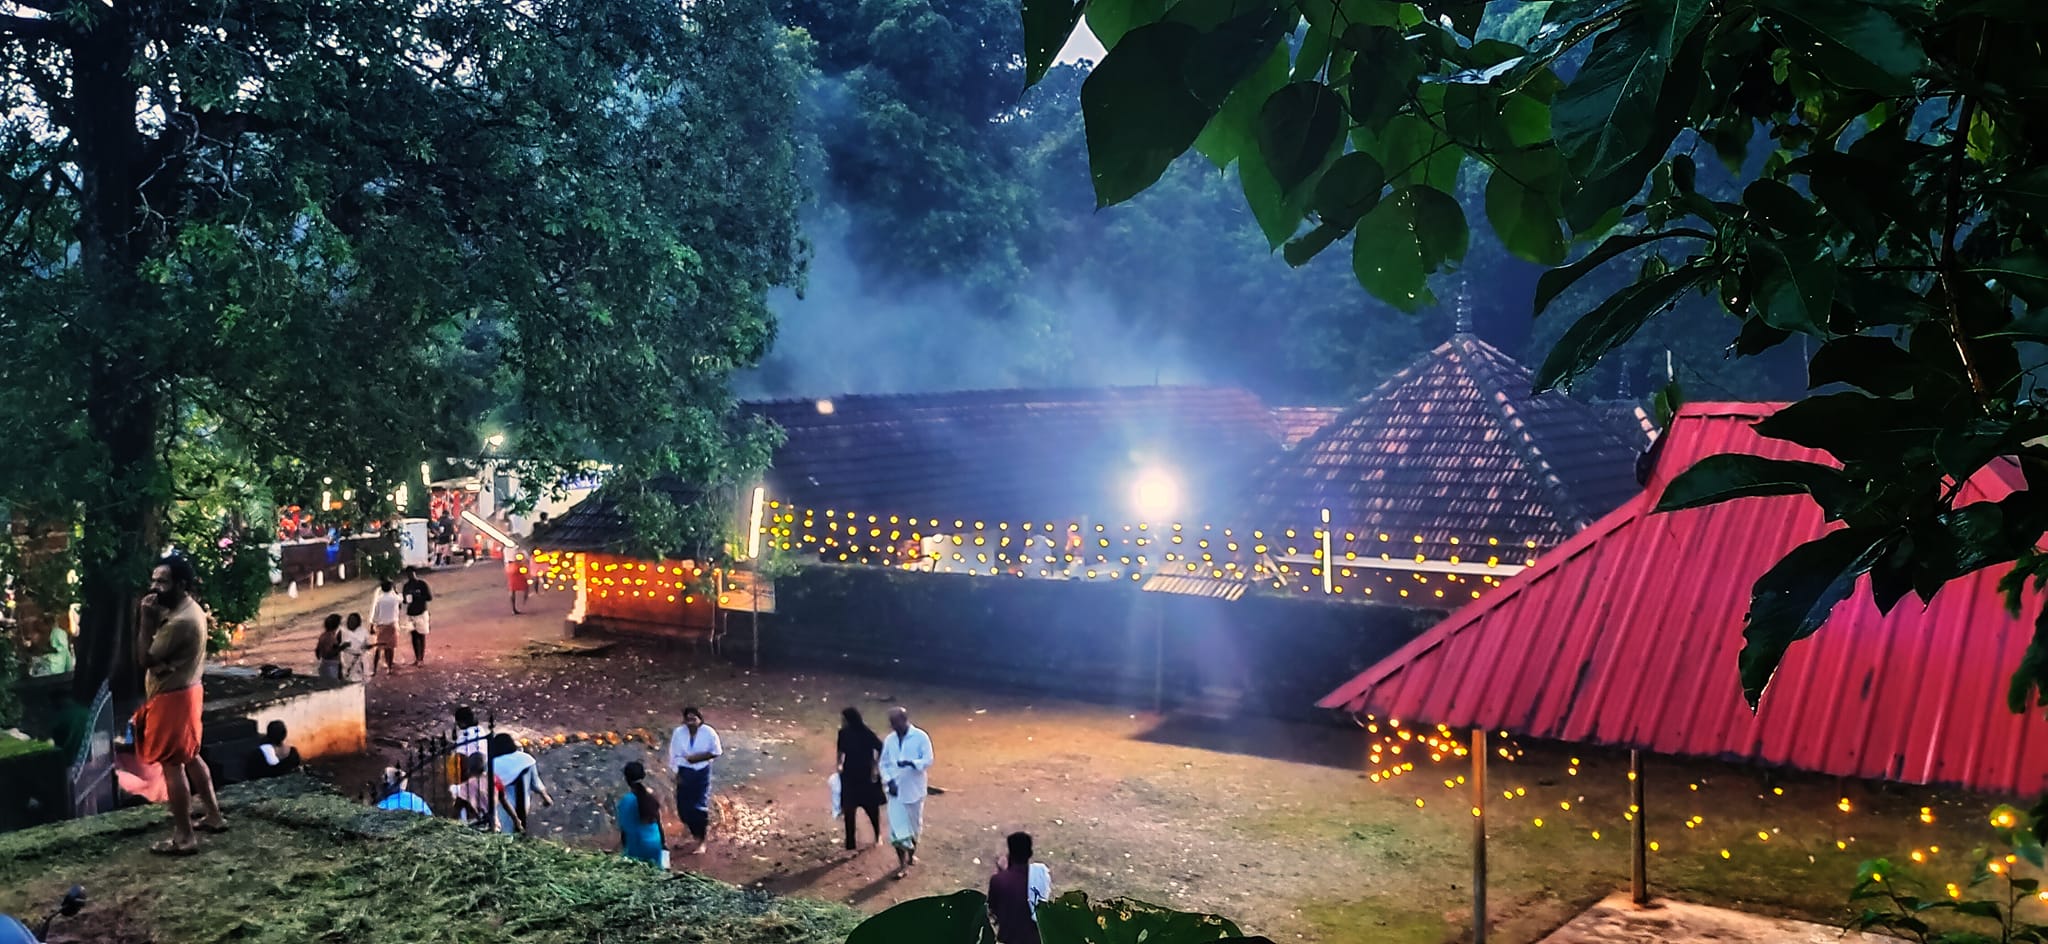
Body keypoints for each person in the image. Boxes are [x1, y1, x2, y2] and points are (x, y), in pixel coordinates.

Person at [134, 555, 226, 855]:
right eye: (154, 580)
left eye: (162, 581)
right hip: (187, 692)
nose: (155, 587)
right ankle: (213, 815)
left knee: (172, 765)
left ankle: (184, 837)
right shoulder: (187, 610)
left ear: (181, 585)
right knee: (192, 756)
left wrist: (146, 621)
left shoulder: (181, 621)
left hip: (172, 699)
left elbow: (144, 658)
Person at [880, 706, 934, 879]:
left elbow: (928, 760)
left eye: (896, 723)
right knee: (897, 829)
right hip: (895, 791)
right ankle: (902, 864)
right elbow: (883, 763)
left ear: (904, 720)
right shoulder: (890, 740)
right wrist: (889, 780)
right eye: (891, 724)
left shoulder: (920, 737)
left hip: (914, 791)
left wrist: (912, 763)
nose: (893, 727)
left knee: (914, 827)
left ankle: (910, 856)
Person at [667, 706, 721, 854]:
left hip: (701, 772)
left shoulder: (709, 732)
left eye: (694, 719)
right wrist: (676, 772)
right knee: (683, 805)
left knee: (699, 807)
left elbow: (716, 752)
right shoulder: (679, 733)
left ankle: (701, 840)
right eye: (688, 719)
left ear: (700, 719)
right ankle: (687, 831)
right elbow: (673, 754)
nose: (691, 722)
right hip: (684, 771)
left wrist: (696, 758)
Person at [988, 832, 1053, 944]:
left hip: (1008, 939)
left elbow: (993, 910)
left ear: (1010, 854)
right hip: (1035, 940)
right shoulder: (1039, 875)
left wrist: (1002, 872)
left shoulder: (998, 880)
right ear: (1030, 853)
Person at [836, 707, 884, 850]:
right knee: (849, 809)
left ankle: (877, 835)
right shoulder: (843, 733)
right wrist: (839, 764)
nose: (842, 721)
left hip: (866, 774)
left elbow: (881, 747)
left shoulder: (866, 733)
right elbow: (840, 751)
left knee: (871, 808)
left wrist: (876, 764)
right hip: (849, 774)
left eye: (844, 719)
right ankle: (850, 843)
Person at [489, 732, 552, 833]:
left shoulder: (492, 764)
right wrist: (546, 798)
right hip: (524, 804)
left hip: (503, 808)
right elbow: (536, 784)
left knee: (506, 834)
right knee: (521, 829)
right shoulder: (527, 759)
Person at [615, 761, 666, 867]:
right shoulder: (651, 799)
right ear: (644, 776)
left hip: (636, 847)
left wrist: (625, 850)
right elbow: (659, 823)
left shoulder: (625, 801)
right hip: (655, 844)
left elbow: (624, 830)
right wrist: (663, 844)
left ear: (626, 779)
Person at [368, 579, 402, 675]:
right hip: (392, 625)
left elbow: (375, 614)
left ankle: (374, 669)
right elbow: (401, 600)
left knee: (379, 648)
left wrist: (372, 626)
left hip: (381, 626)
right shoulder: (395, 598)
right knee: (390, 648)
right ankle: (390, 668)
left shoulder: (379, 599)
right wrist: (395, 590)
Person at [401, 566, 433, 664]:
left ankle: (421, 658)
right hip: (411, 613)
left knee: (421, 635)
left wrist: (418, 596)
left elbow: (429, 597)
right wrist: (406, 600)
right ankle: (417, 658)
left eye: (411, 573)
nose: (410, 575)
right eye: (408, 574)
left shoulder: (422, 584)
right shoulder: (406, 586)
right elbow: (404, 600)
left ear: (415, 573)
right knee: (414, 636)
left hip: (421, 612)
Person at [449, 752, 491, 827]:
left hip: (473, 826)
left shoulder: (465, 787)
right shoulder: (493, 781)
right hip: (491, 823)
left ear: (468, 768)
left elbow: (456, 811)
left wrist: (450, 826)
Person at [313, 614, 344, 680]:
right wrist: (342, 647)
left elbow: (317, 651)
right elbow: (329, 654)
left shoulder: (323, 635)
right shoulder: (330, 637)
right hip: (331, 666)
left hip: (324, 663)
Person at [339, 613, 369, 680]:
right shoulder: (342, 632)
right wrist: (343, 646)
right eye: (349, 620)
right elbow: (336, 648)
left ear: (358, 623)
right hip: (345, 660)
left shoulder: (363, 632)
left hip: (358, 661)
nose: (350, 622)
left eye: (353, 621)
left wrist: (365, 647)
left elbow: (365, 645)